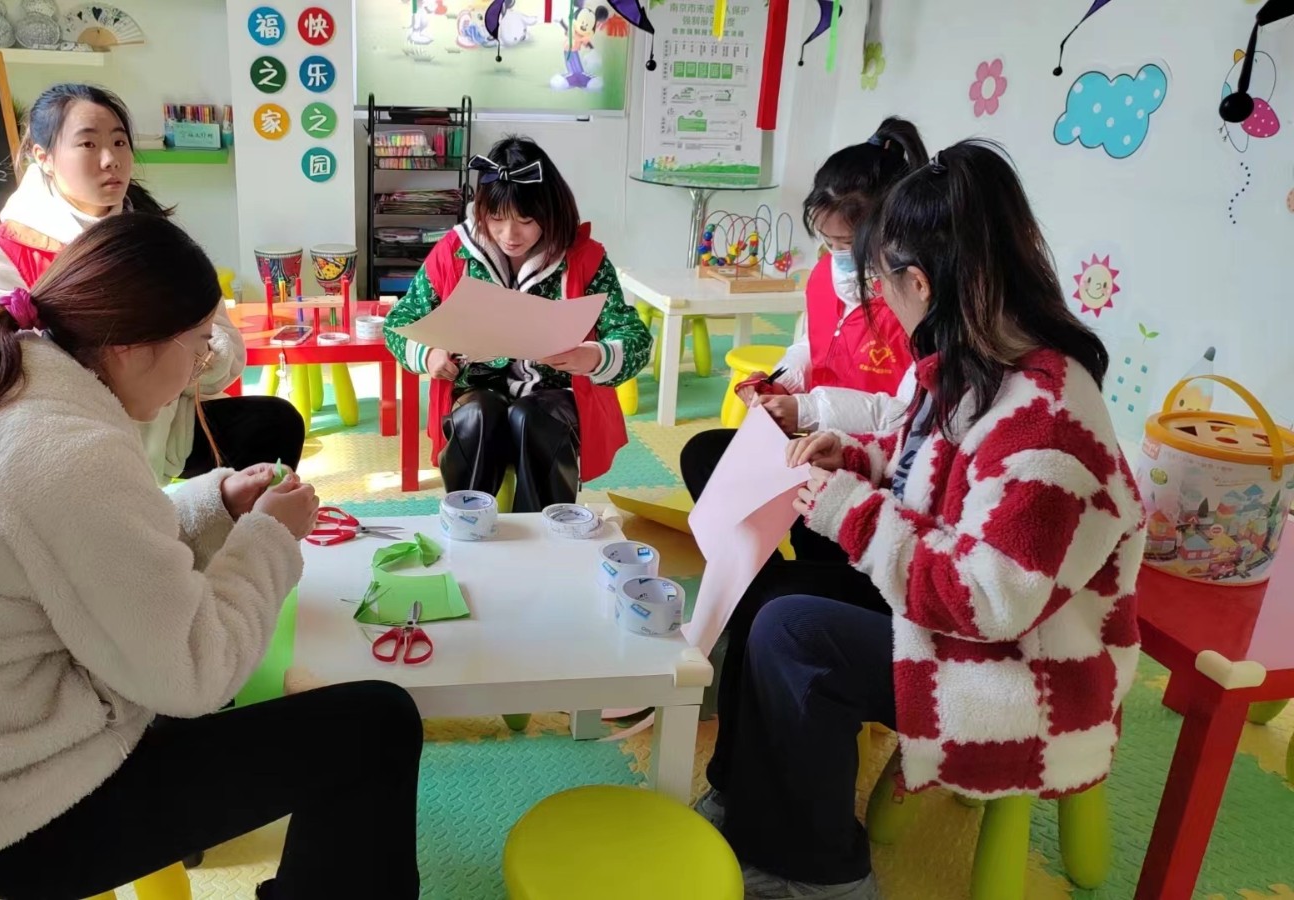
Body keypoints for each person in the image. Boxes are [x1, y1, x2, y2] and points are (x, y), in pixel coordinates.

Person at [0, 215, 423, 900]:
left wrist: (217, 505)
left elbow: (94, 558)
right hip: (12, 814)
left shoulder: (16, 382)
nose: (199, 370)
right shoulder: (66, 450)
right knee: (376, 727)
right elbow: (197, 674)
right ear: (132, 346)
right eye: (199, 346)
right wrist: (269, 540)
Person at [714, 141, 1145, 899]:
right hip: (963, 610)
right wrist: (852, 454)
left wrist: (852, 511)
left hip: (1027, 665)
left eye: (882, 280)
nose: (879, 295)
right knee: (765, 596)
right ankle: (748, 803)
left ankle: (828, 876)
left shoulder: (1046, 417)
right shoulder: (985, 356)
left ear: (918, 282)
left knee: (793, 633)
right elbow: (934, 467)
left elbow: (990, 601)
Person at [681, 119, 927, 810]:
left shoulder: (917, 305)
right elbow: (809, 344)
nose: (836, 260)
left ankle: (771, 615)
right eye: (827, 246)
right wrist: (783, 384)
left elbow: (900, 421)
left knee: (783, 593)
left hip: (870, 484)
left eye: (846, 248)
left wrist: (814, 409)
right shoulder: (831, 277)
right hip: (831, 449)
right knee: (707, 455)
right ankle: (752, 608)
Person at [0, 82, 304, 485]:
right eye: (88, 144)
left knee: (273, 424)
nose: (110, 160)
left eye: (119, 143)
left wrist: (191, 358)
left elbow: (222, 339)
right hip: (64, 438)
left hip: (166, 424)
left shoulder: (153, 236)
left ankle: (228, 524)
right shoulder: (6, 254)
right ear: (43, 157)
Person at [383, 136, 651, 511]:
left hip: (556, 394)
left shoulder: (584, 257)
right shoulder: (454, 251)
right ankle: (466, 521)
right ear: (482, 211)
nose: (510, 235)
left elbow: (634, 336)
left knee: (532, 418)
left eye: (526, 221)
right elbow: (398, 322)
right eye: (496, 219)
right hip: (475, 391)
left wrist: (593, 356)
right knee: (478, 416)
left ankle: (545, 530)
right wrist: (428, 355)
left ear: (550, 211)